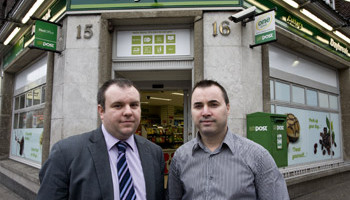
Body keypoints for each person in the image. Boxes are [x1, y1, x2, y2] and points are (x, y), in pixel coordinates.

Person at [37, 78, 165, 200]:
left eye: (134, 105)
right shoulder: (65, 153)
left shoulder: (154, 153)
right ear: (101, 111)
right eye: (118, 105)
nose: (128, 112)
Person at [167, 79, 289, 200]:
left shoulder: (258, 157)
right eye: (198, 106)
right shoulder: (180, 158)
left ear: (228, 108)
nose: (205, 112)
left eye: (213, 104)